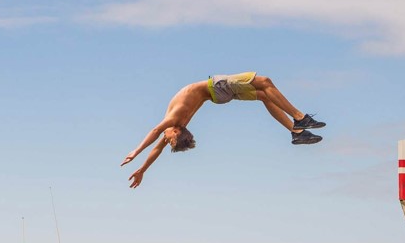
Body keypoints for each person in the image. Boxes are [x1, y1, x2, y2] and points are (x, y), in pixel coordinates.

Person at [121, 72, 325, 188]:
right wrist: (137, 156)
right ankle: (299, 118)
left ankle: (297, 133)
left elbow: (157, 143)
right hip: (215, 88)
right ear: (177, 132)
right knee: (265, 82)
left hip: (217, 94)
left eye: (169, 140)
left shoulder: (175, 122)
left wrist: (141, 166)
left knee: (264, 93)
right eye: (171, 141)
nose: (166, 140)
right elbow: (157, 134)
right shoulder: (175, 120)